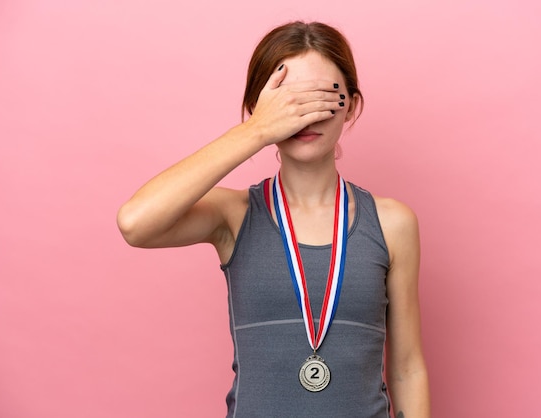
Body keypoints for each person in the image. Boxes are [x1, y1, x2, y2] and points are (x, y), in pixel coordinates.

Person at [117, 21, 430, 418]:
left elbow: (407, 369)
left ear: (351, 103)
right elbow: (135, 222)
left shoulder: (392, 223)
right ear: (259, 106)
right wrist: (256, 130)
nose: (305, 112)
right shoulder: (233, 216)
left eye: (324, 95)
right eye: (287, 100)